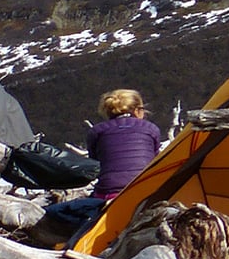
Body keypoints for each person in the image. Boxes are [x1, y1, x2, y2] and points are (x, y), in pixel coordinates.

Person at [31, 90, 163, 247]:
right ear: (137, 110)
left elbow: (96, 163)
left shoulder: (97, 132)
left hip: (108, 195)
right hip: (147, 192)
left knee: (55, 211)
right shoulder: (151, 129)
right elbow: (155, 161)